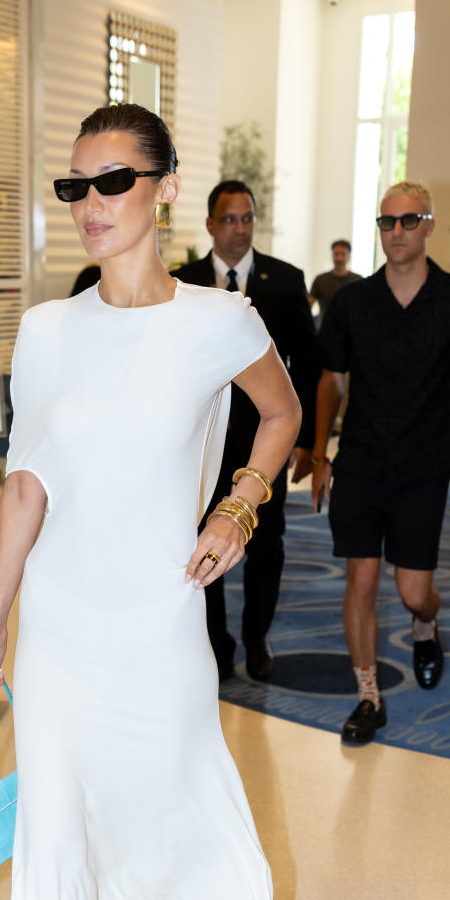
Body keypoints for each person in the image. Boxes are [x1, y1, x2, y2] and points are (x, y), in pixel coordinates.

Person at [0, 104, 301, 900]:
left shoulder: (219, 318)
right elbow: (27, 482)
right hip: (61, 630)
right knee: (54, 844)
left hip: (160, 618)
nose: (90, 205)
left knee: (175, 783)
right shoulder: (51, 331)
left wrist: (242, 506)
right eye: (74, 187)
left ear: (163, 187)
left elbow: (282, 413)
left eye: (111, 182)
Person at [311, 180, 450, 745]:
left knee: (415, 589)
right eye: (387, 222)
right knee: (362, 579)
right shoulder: (352, 302)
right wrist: (320, 453)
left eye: (408, 220)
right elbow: (332, 381)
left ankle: (425, 623)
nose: (396, 232)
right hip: (361, 463)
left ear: (428, 226)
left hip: (423, 466)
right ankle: (368, 696)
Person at [175, 180, 320, 681]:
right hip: (201, 445)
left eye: (248, 219)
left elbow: (308, 364)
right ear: (211, 224)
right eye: (230, 219)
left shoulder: (285, 280)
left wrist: (308, 441)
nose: (240, 229)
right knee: (200, 539)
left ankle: (257, 636)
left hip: (266, 442)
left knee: (266, 546)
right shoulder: (181, 283)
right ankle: (216, 641)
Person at [309, 239, 361, 322]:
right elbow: (308, 306)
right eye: (336, 254)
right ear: (332, 255)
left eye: (343, 254)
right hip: (325, 330)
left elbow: (364, 308)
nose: (339, 258)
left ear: (349, 257)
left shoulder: (358, 280)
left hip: (351, 331)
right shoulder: (320, 280)